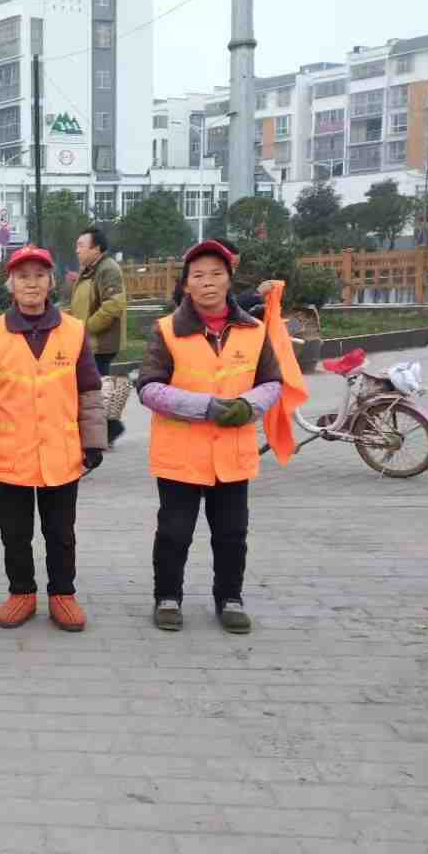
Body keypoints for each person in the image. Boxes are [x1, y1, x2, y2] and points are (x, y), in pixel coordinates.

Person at [137, 239, 284, 635]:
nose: (207, 282)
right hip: (180, 454)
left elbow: (272, 382)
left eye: (216, 274)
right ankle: (167, 597)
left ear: (229, 279)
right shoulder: (167, 331)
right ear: (186, 284)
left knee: (232, 534)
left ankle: (230, 598)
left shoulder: (254, 330)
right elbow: (148, 388)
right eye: (198, 275)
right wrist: (205, 407)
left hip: (232, 454)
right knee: (174, 532)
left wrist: (249, 405)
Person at [0, 246, 105, 632]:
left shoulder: (73, 331)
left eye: (39, 275)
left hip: (61, 451)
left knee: (61, 532)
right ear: (11, 284)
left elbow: (89, 391)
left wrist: (94, 441)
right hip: (10, 453)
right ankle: (21, 593)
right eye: (22, 276)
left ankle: (63, 594)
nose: (31, 283)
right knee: (15, 533)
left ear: (51, 281)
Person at [70, 226, 128, 445]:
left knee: (95, 389)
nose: (77, 250)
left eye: (81, 245)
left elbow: (113, 305)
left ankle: (109, 430)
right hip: (87, 341)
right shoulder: (89, 270)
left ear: (96, 249)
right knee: (95, 388)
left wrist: (87, 327)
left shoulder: (107, 269)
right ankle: (107, 430)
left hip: (100, 342)